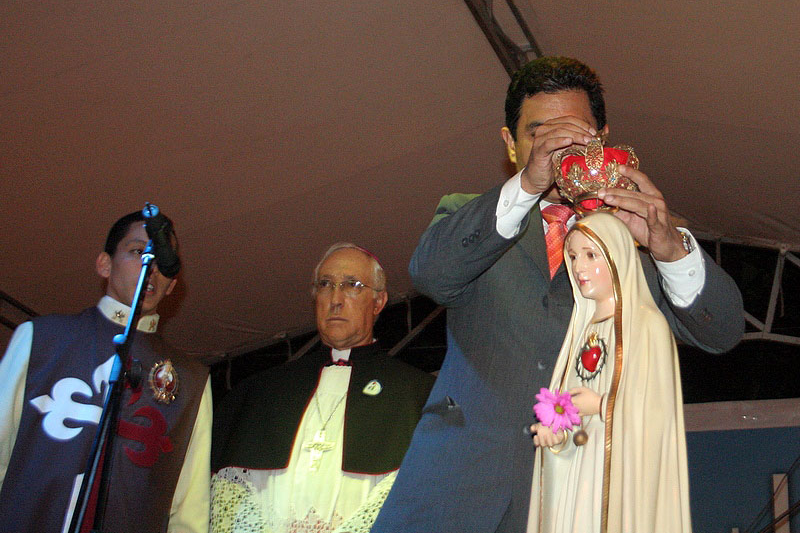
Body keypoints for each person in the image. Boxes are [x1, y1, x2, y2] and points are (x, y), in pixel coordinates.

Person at [370, 56, 743, 532]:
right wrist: (528, 184)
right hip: (456, 495)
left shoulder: (639, 240)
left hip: (580, 499)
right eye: (540, 134)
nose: (558, 146)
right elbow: (431, 275)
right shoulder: (473, 216)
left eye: (575, 133)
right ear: (511, 144)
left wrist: (669, 250)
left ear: (602, 140)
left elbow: (721, 332)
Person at [0, 210, 212, 533]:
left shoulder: (190, 381)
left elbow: (189, 511)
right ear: (104, 264)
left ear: (171, 285)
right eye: (138, 251)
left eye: (163, 261)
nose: (151, 268)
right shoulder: (42, 339)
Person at [210, 243, 434, 533]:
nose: (335, 299)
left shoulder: (417, 394)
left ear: (378, 302)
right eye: (325, 285)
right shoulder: (259, 393)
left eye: (352, 285)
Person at [527, 212, 692, 532]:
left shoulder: (646, 325)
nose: (579, 267)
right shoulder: (580, 330)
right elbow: (568, 404)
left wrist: (603, 406)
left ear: (618, 256)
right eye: (573, 256)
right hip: (578, 478)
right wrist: (556, 433)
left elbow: (658, 414)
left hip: (621, 478)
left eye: (591, 255)